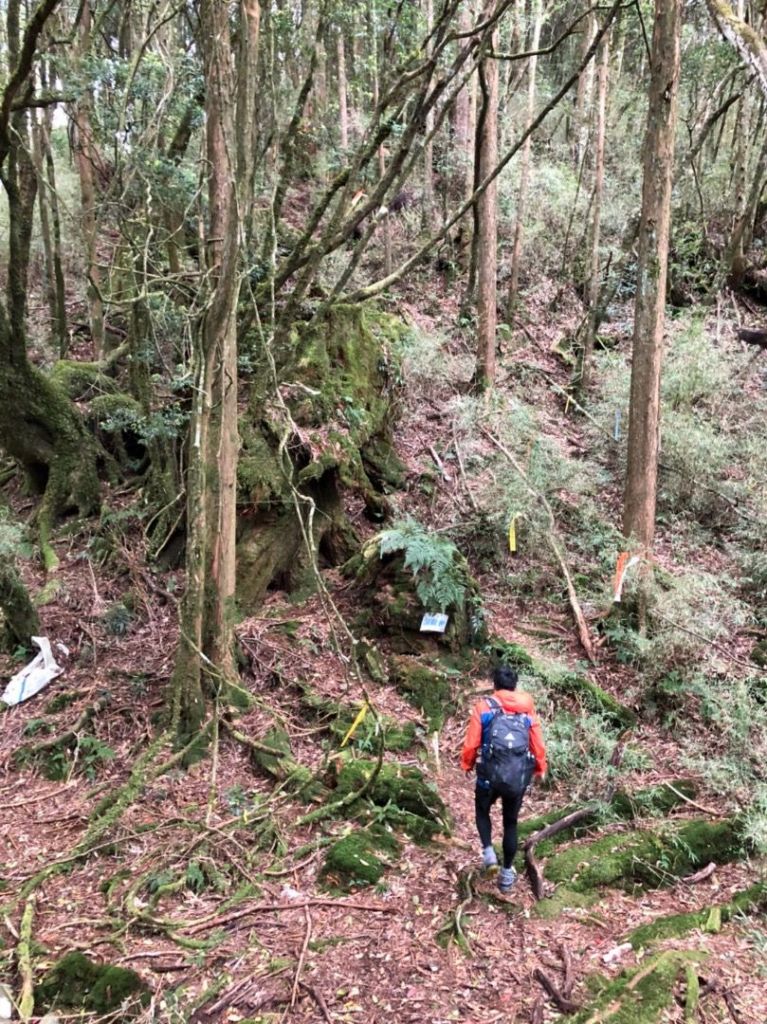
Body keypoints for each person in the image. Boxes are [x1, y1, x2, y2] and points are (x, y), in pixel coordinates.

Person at [460, 664, 547, 892]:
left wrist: (467, 763)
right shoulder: (527, 710)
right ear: (515, 686)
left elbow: (472, 742)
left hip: (488, 775)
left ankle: (489, 853)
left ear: (495, 685)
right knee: (510, 822)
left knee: (482, 811)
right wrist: (540, 769)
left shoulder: (484, 707)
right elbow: (537, 743)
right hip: (516, 777)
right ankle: (507, 875)